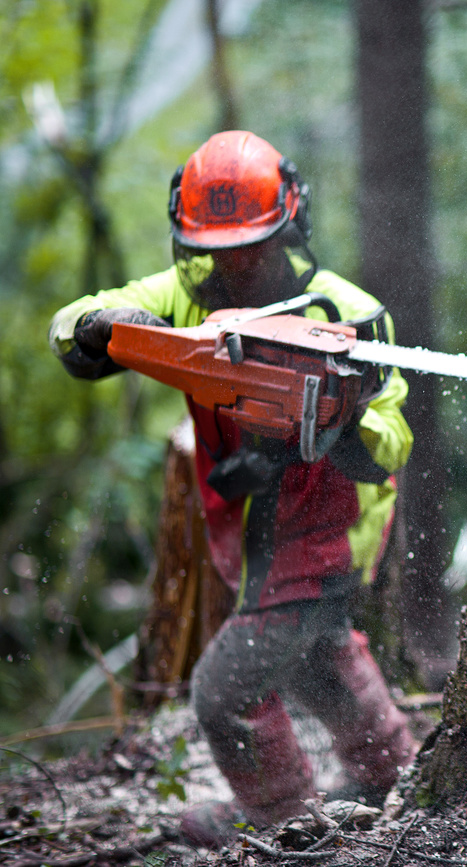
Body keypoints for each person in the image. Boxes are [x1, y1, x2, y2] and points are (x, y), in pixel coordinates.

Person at [48, 131, 418, 847]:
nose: (237, 265)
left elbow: (393, 439)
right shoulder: (185, 298)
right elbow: (72, 325)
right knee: (319, 663)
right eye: (219, 249)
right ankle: (391, 771)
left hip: (323, 537)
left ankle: (288, 821)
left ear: (289, 227)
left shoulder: (345, 314)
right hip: (246, 534)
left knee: (224, 692)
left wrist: (345, 418)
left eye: (252, 246)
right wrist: (101, 326)